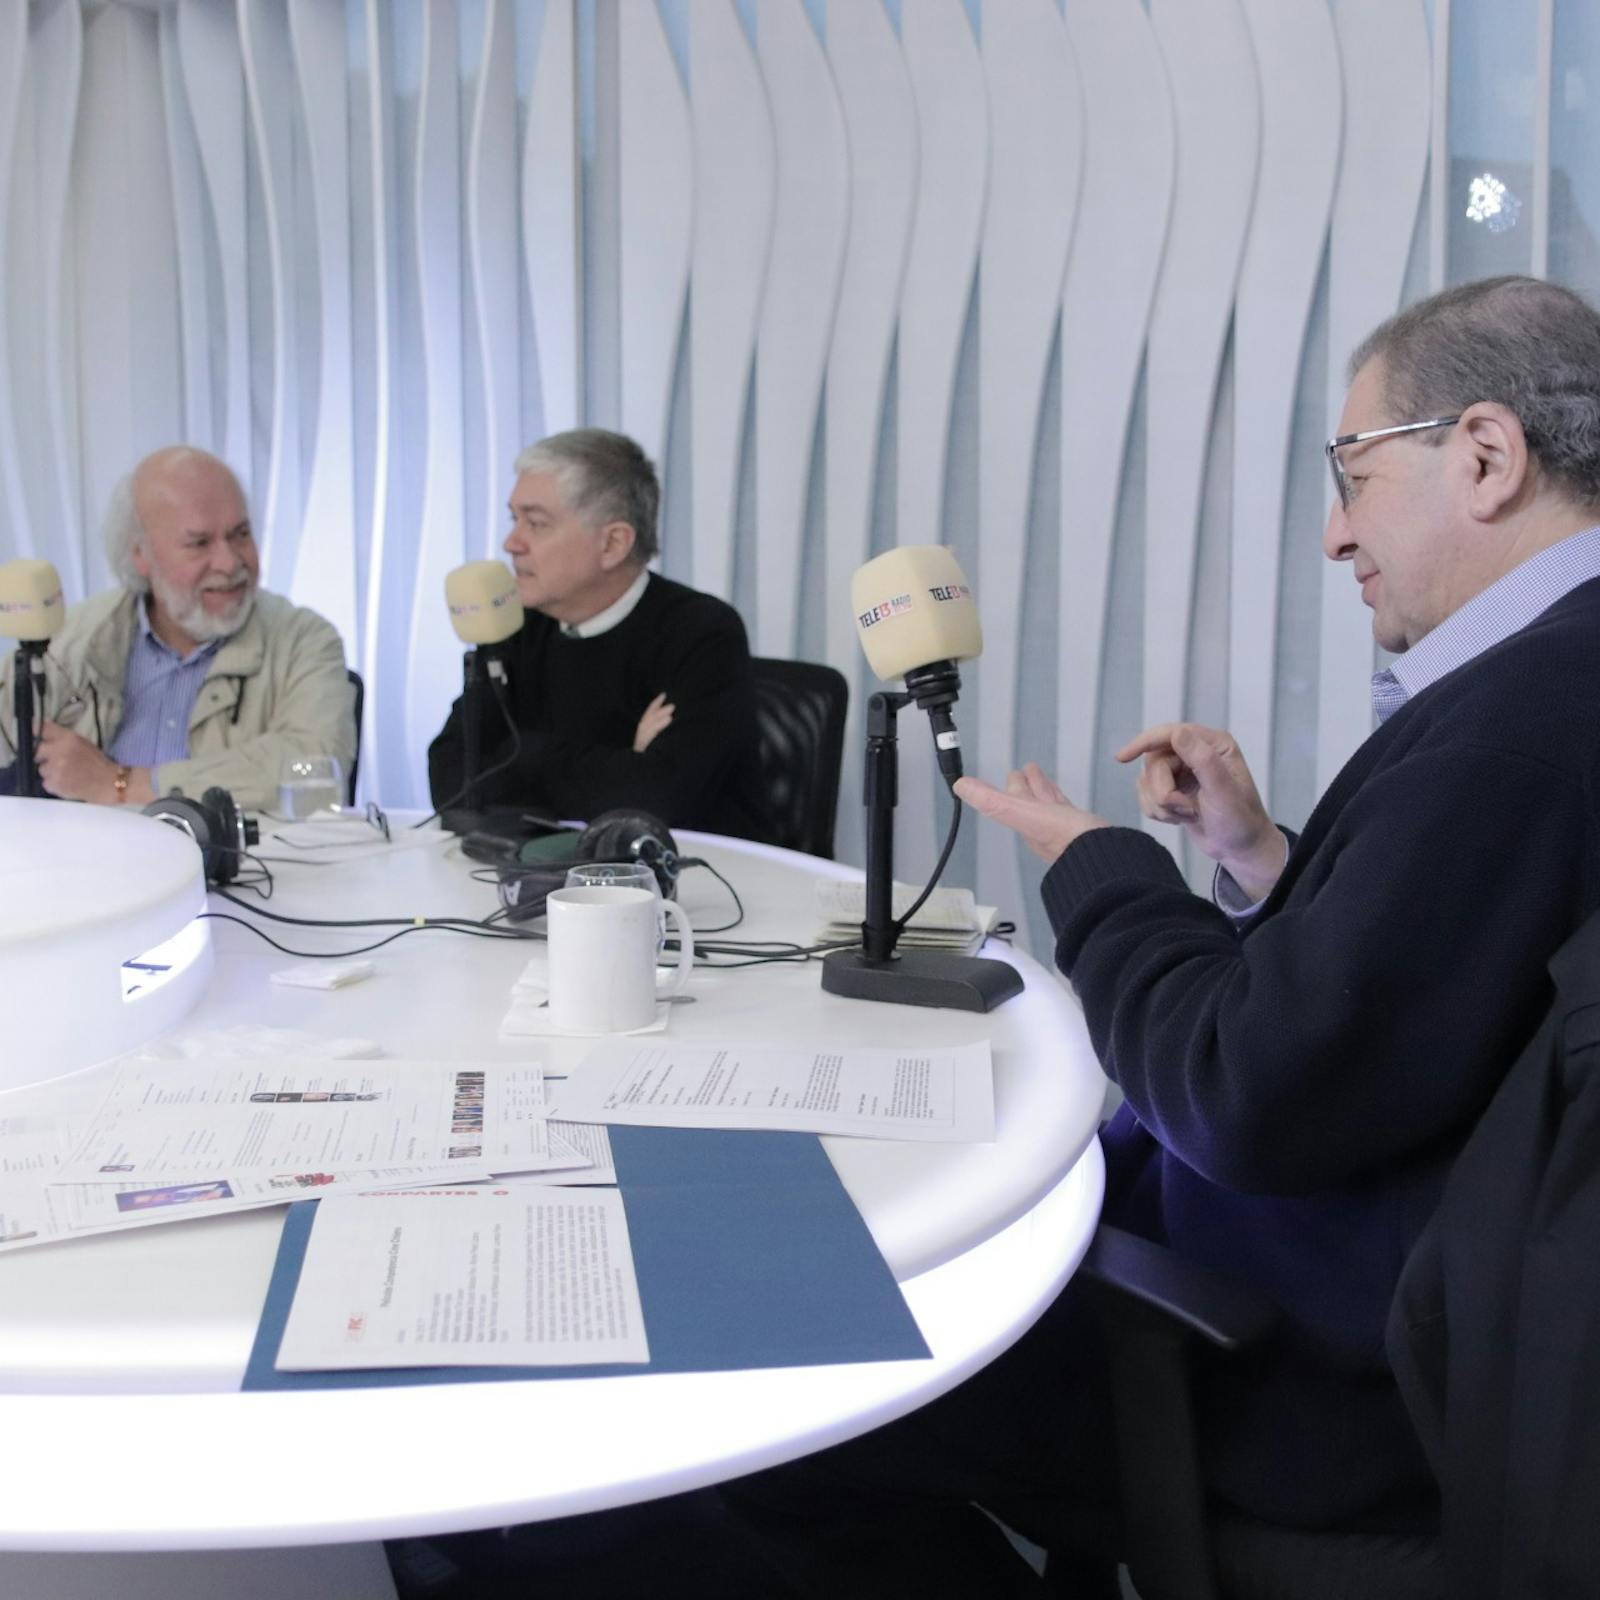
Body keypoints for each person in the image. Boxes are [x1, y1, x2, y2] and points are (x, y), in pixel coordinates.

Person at [719, 275, 1600, 1593]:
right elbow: (1444, 991)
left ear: (1484, 455)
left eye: (1352, 477)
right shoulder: (1554, 689)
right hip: (1372, 1310)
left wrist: (1104, 872)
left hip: (1278, 1370)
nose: (1334, 535)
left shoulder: (1520, 725)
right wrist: (1260, 861)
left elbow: (1243, 1093)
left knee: (773, 1384)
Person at [427, 428, 769, 839]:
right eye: (514, 519)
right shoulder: (515, 623)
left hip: (692, 870)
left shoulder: (701, 631)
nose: (511, 543)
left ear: (613, 544)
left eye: (535, 523)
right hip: (542, 863)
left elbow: (655, 802)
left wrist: (520, 754)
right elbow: (451, 778)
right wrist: (624, 759)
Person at [0, 446, 354, 813]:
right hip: (88, 849)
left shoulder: (305, 641)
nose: (229, 562)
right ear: (140, 554)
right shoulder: (72, 639)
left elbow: (318, 766)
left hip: (235, 851)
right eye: (199, 543)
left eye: (241, 534)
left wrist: (120, 784)